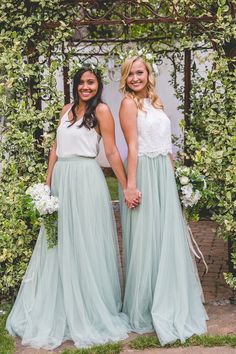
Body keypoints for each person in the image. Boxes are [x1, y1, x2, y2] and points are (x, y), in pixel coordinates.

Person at [6, 66, 134, 349]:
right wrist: (47, 182)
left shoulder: (101, 111)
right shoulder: (66, 109)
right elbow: (55, 146)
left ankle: (89, 306)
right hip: (62, 180)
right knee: (59, 241)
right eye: (81, 82)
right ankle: (61, 303)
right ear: (75, 85)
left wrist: (126, 185)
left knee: (85, 241)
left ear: (97, 85)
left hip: (87, 179)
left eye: (91, 82)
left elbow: (111, 151)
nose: (85, 87)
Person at [119, 55, 208, 346]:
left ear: (148, 75)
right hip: (143, 172)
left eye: (140, 72)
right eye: (131, 74)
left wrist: (175, 180)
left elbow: (167, 146)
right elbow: (132, 146)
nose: (135, 78)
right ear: (126, 77)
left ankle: (168, 296)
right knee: (146, 240)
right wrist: (130, 185)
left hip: (163, 174)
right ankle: (144, 306)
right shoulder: (128, 104)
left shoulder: (156, 103)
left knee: (165, 237)